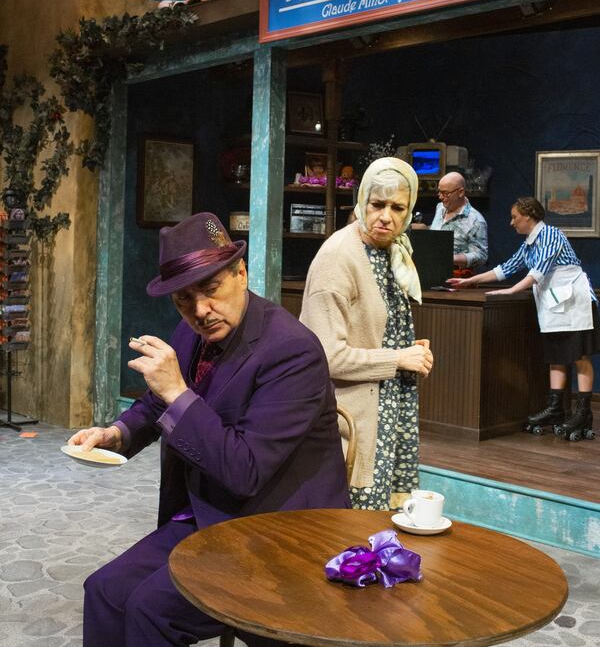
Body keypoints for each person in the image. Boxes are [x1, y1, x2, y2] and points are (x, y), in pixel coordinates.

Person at [68, 212, 349, 647]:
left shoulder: (292, 351)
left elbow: (246, 469)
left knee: (150, 610)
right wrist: (118, 433)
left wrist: (179, 392)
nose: (200, 311)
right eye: (183, 299)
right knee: (103, 591)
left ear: (241, 273)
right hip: (212, 516)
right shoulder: (191, 331)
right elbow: (154, 403)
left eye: (211, 290)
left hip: (281, 530)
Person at [300, 157, 434, 511]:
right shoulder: (339, 257)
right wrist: (398, 358)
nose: (386, 216)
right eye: (377, 205)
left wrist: (412, 351)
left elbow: (377, 330)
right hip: (349, 417)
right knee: (348, 530)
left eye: (398, 207)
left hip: (386, 410)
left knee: (382, 527)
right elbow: (324, 354)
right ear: (362, 201)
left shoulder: (392, 252)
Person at [448, 197, 599, 440]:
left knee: (579, 355)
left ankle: (583, 413)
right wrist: (470, 280)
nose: (511, 223)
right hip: (553, 303)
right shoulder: (529, 243)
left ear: (528, 215)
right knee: (556, 356)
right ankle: (556, 408)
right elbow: (506, 268)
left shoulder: (551, 235)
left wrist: (511, 290)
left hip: (574, 301)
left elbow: (538, 270)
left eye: (514, 217)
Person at [414, 171, 488, 274]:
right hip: (429, 270)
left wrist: (450, 258)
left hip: (455, 276)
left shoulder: (476, 221)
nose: (440, 197)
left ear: (460, 192)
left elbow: (481, 256)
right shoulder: (440, 207)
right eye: (439, 192)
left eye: (445, 193)